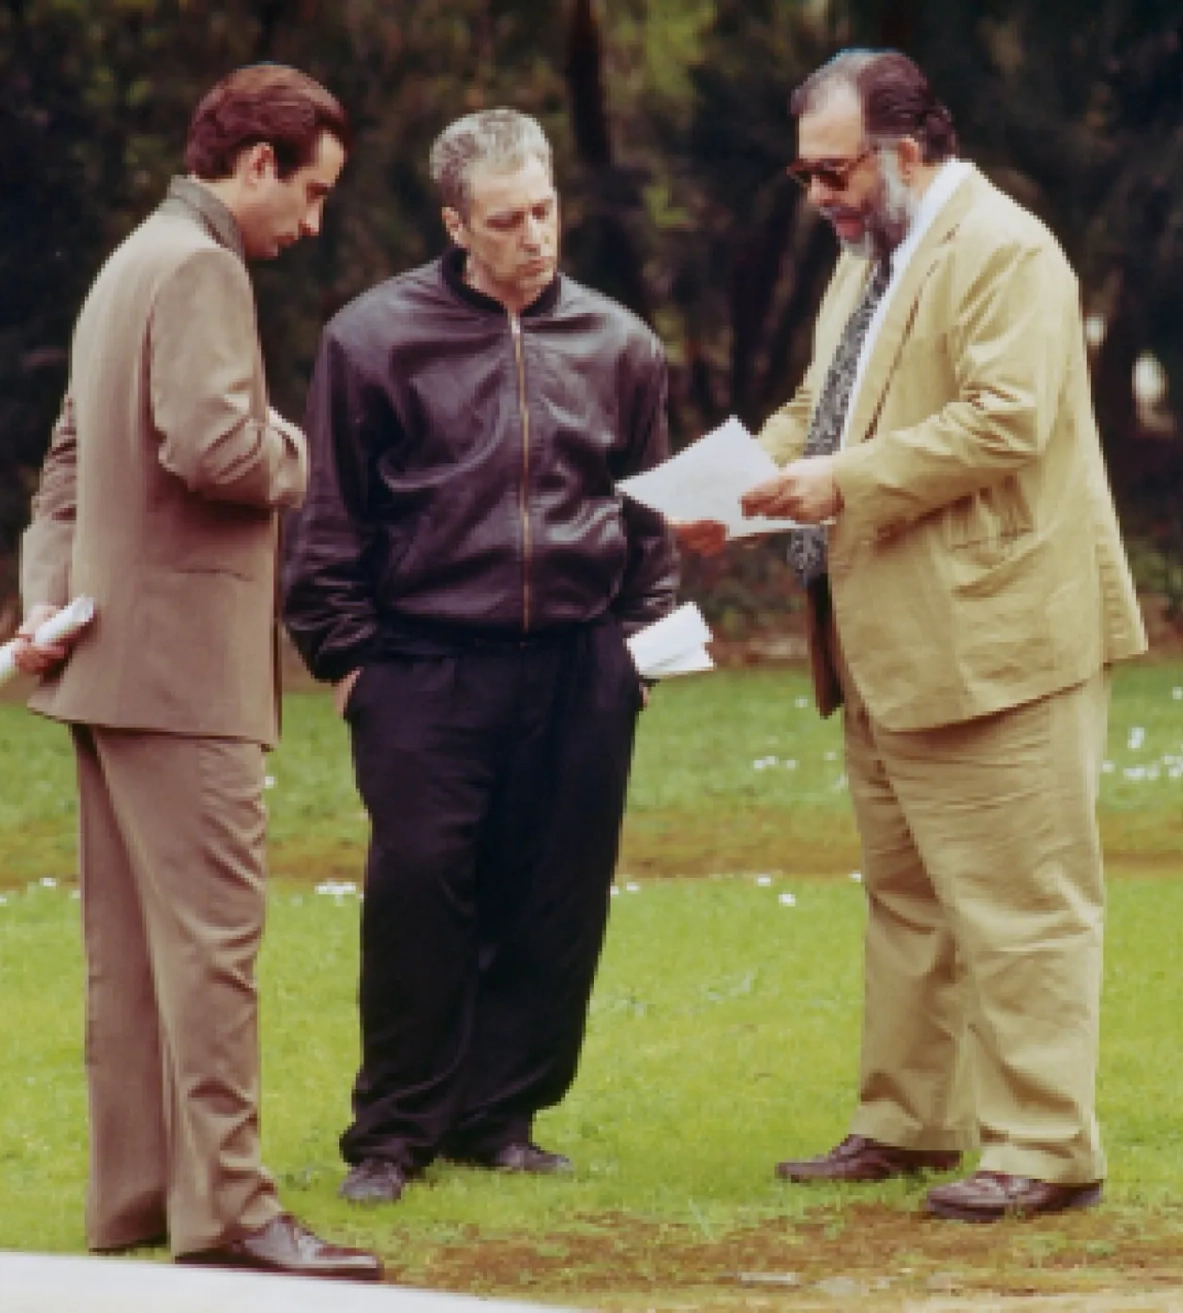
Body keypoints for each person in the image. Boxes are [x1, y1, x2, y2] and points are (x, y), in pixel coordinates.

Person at [674, 50, 1147, 1222]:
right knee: (907, 894)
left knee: (1022, 897)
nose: (818, 195)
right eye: (804, 173)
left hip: (999, 638)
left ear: (906, 149)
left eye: (832, 171)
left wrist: (838, 484)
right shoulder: (868, 259)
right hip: (883, 636)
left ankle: (1045, 1146)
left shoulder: (1006, 249)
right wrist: (738, 483)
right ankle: (904, 1121)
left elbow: (1004, 420)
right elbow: (814, 401)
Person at [13, 66, 378, 1279]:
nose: (312, 224)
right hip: (182, 673)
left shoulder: (129, 261)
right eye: (311, 193)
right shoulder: (202, 263)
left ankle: (137, 1199)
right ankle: (230, 1213)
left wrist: (45, 608)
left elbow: (63, 468)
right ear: (257, 163)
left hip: (107, 660)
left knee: (134, 954)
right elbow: (216, 443)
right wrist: (298, 441)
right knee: (214, 944)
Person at [282, 108, 677, 1206]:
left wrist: (636, 661)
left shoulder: (622, 343)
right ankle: (394, 1131)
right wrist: (348, 659)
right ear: (457, 223)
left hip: (579, 665)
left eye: (545, 210)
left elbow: (649, 517)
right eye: (506, 220)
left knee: (554, 897)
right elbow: (329, 521)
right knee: (420, 893)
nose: (535, 236)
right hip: (420, 662)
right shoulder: (372, 340)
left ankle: (501, 1116)